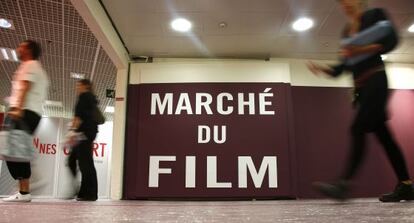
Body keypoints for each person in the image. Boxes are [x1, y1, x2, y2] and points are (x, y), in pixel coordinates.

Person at [307, 0, 413, 202]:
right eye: (342, 3)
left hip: (376, 79)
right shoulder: (347, 32)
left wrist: (362, 49)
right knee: (385, 138)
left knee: (357, 128)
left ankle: (343, 184)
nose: (345, 4)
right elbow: (343, 66)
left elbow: (392, 41)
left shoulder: (375, 16)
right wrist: (324, 69)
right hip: (362, 89)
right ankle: (406, 185)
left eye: (349, 0)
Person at [2, 40, 49, 202]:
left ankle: (29, 186)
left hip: (23, 112)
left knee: (13, 151)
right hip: (31, 113)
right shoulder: (38, 69)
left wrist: (17, 108)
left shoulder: (29, 66)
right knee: (17, 150)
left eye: (21, 46)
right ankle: (24, 191)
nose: (18, 49)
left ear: (28, 50)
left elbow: (24, 86)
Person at [67, 79, 99, 201]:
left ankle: (89, 193)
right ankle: (82, 191)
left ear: (85, 86)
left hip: (83, 134)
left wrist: (72, 132)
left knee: (85, 164)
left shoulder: (84, 97)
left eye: (79, 85)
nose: (77, 88)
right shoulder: (92, 99)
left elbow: (78, 117)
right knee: (76, 161)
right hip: (88, 133)